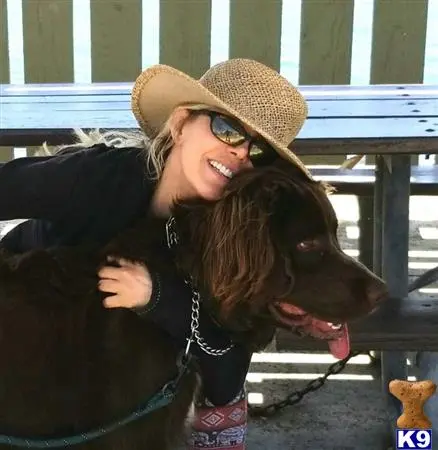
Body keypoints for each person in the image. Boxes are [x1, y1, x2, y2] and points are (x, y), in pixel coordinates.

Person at [0, 58, 311, 449]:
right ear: (181, 124)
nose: (239, 153)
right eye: (227, 128)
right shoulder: (100, 177)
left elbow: (229, 353)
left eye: (260, 152)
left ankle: (214, 417)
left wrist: (156, 297)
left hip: (132, 340)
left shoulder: (234, 228)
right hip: (41, 307)